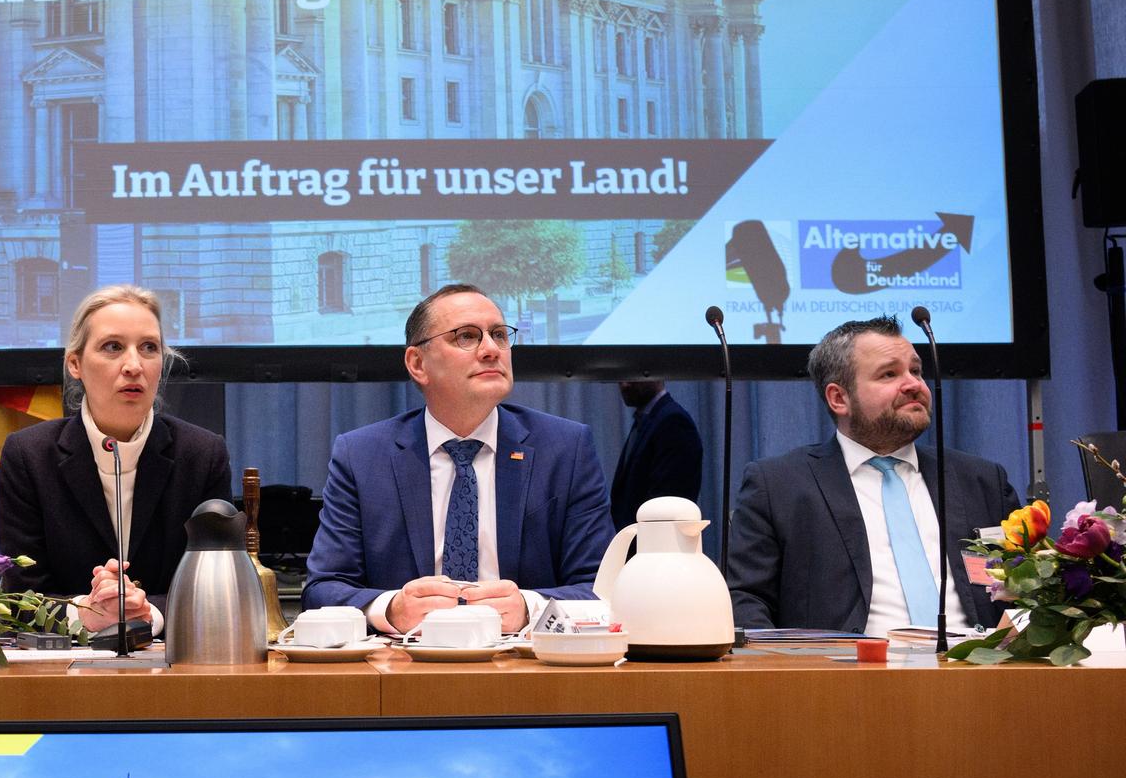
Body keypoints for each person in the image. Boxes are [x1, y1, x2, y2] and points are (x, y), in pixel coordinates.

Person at [304, 284, 612, 636]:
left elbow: (601, 587)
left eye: (499, 335)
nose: (491, 350)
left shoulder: (565, 448)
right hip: (403, 670)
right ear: (418, 364)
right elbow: (322, 590)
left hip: (527, 670)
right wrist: (392, 608)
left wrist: (530, 607)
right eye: (466, 337)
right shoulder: (361, 456)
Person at [727, 317, 1020, 633]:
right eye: (889, 374)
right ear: (839, 398)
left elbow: (1032, 587)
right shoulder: (779, 486)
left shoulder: (982, 481)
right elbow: (745, 600)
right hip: (847, 674)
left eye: (916, 371)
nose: (914, 385)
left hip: (976, 671)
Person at [0, 285, 233, 632]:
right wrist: (86, 613)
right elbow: (20, 596)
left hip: (172, 666)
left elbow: (217, 589)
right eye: (113, 347)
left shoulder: (202, 454)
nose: (134, 365)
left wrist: (147, 613)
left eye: (149, 348)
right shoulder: (29, 456)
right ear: (75, 363)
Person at [609, 380, 704, 526]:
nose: (624, 384)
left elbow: (667, 505)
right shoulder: (649, 419)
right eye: (621, 377)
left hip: (656, 542)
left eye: (632, 374)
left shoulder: (673, 422)